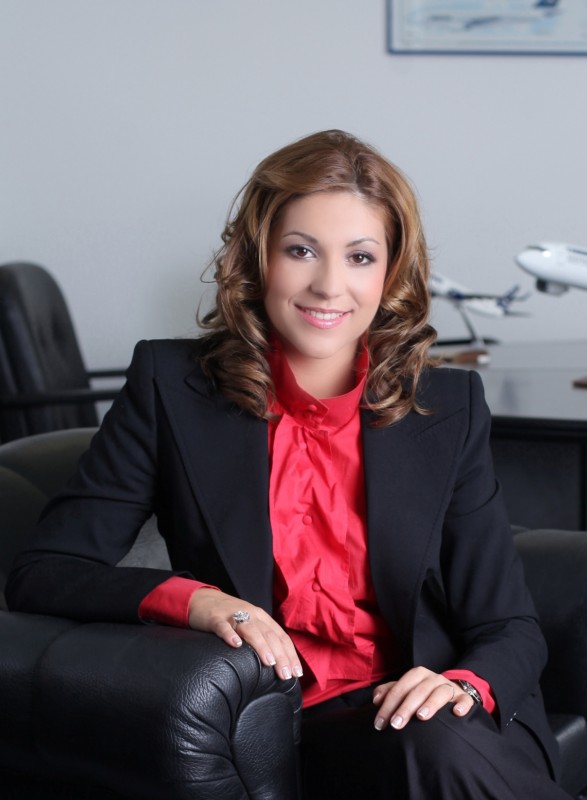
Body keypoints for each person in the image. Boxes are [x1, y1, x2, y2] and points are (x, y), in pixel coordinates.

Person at [6, 130, 571, 799]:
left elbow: (507, 626)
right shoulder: (171, 389)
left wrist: (461, 686)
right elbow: (45, 571)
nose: (329, 285)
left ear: (389, 273)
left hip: (437, 714)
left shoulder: (447, 408)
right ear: (257, 258)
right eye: (300, 250)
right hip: (290, 726)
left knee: (434, 740)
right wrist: (198, 601)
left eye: (359, 256)